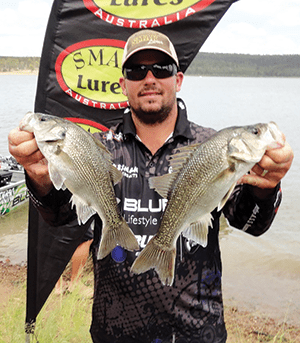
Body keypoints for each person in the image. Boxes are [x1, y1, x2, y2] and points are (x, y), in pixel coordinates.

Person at [8, 29, 293, 343]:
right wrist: (39, 177)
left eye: (162, 68)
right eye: (136, 70)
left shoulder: (210, 145)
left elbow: (249, 222)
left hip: (197, 332)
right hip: (115, 331)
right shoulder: (99, 148)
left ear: (178, 79)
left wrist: (266, 187)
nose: (149, 78)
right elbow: (60, 216)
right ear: (123, 85)